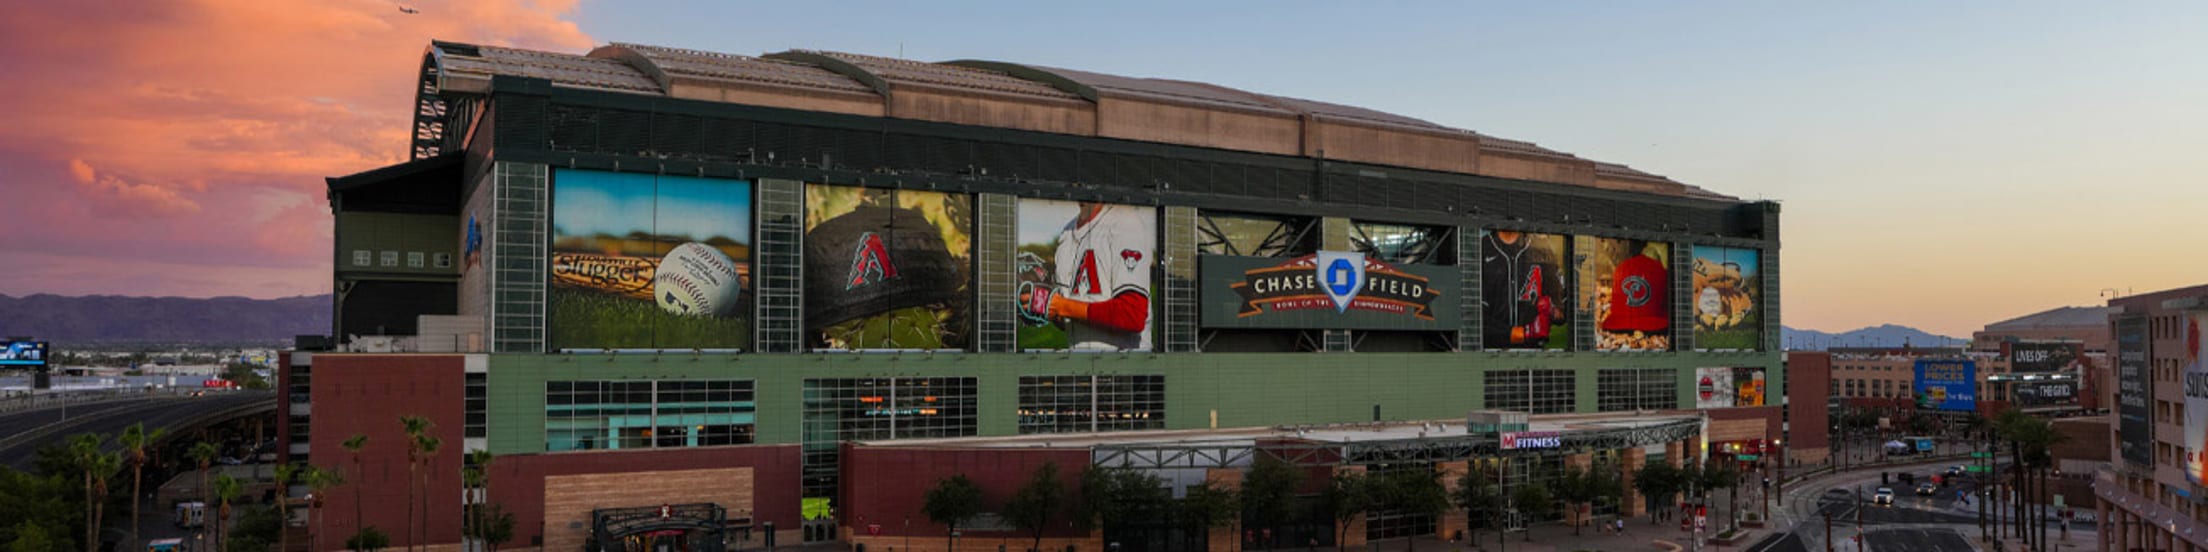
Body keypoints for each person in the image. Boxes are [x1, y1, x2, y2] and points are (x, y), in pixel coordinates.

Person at [1020, 202, 1154, 350]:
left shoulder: (1125, 222)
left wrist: (1062, 306)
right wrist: (1047, 309)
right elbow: (1074, 320)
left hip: (1127, 360)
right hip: (1080, 360)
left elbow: (1132, 314)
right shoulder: (1067, 232)